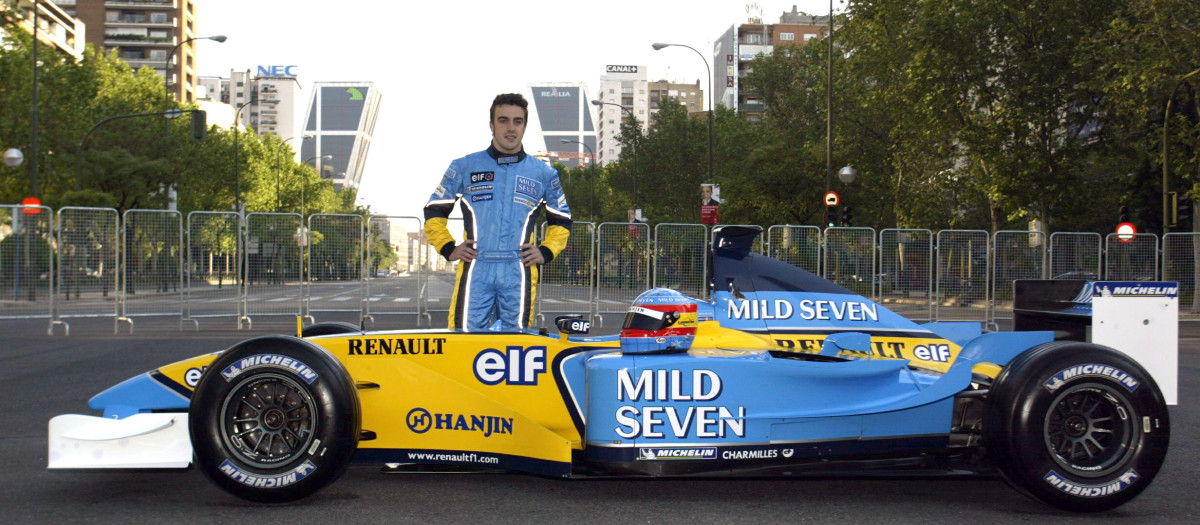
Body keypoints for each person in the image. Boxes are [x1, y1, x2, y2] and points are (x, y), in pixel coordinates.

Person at [424, 93, 572, 331]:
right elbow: (434, 211)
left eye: (518, 121)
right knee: (465, 337)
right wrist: (448, 248)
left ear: (525, 126)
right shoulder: (464, 166)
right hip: (476, 266)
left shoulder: (544, 173)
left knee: (516, 342)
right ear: (491, 125)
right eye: (503, 120)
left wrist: (546, 251)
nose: (510, 128)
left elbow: (562, 220)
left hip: (519, 269)